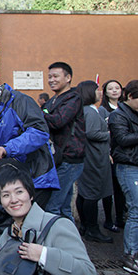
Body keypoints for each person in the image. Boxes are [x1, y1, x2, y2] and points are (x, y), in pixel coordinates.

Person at [0, 68, 58, 207]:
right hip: (13, 179)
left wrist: (7, 149)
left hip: (35, 178)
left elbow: (39, 132)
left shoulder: (18, 100)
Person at [108, 80, 138, 275]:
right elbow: (123, 140)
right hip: (130, 168)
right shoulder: (118, 115)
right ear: (129, 96)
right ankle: (130, 256)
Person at [43, 62, 86, 220]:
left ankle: (55, 235)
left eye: (55, 76)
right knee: (64, 207)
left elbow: (58, 121)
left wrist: (41, 113)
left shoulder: (73, 98)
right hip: (59, 158)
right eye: (49, 77)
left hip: (69, 158)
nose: (51, 80)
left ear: (68, 78)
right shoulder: (52, 101)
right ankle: (70, 235)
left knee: (53, 206)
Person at [75, 80, 113, 243]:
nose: (100, 93)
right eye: (97, 90)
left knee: (84, 193)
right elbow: (91, 133)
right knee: (91, 194)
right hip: (93, 157)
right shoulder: (90, 111)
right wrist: (109, 134)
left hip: (88, 156)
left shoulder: (86, 110)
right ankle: (92, 229)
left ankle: (85, 226)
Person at [99, 79, 125, 232]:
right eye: (110, 88)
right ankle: (108, 219)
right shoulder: (102, 110)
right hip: (110, 153)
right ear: (105, 92)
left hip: (124, 153)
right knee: (109, 188)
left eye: (117, 88)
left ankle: (120, 217)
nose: (114, 91)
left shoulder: (124, 107)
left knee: (121, 188)